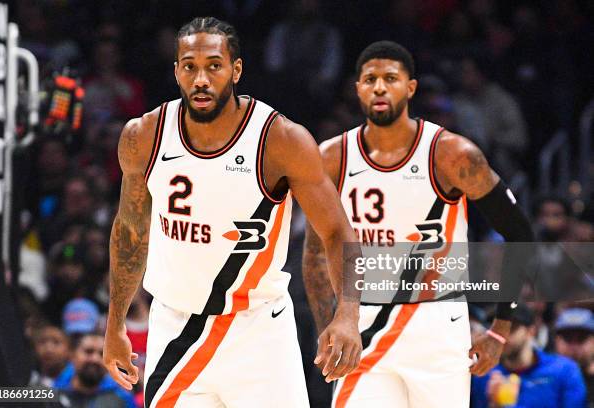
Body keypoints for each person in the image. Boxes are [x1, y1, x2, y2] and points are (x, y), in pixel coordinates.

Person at [102, 17, 362, 408]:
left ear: (236, 70)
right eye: (189, 66)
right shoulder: (144, 136)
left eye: (214, 66)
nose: (201, 79)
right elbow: (130, 232)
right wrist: (115, 323)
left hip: (258, 331)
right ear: (176, 72)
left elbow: (338, 233)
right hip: (176, 327)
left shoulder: (281, 140)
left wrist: (348, 314)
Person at [303, 41, 534, 408]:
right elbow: (315, 252)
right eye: (370, 79)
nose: (380, 87)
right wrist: (326, 326)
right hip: (363, 320)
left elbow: (520, 234)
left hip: (438, 322)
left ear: (410, 88)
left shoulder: (452, 154)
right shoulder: (330, 158)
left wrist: (500, 329)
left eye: (390, 78)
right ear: (357, 88)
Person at [471, 305, 587, 408]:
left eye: (511, 329)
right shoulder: (484, 373)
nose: (501, 338)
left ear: (531, 331)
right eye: (495, 331)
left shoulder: (564, 370)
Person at [54, 333, 136, 408]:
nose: (95, 359)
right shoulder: (54, 393)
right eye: (88, 352)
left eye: (102, 354)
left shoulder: (122, 397)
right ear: (72, 356)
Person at [554, 308, 594, 401]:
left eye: (581, 338)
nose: (574, 346)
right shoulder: (544, 380)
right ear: (557, 341)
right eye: (567, 338)